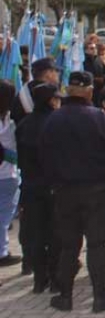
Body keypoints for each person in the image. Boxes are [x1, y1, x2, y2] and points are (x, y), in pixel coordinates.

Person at [40, 71, 105, 313]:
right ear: (89, 91)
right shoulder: (101, 119)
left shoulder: (53, 120)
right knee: (97, 244)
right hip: (96, 189)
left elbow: (43, 158)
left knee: (69, 246)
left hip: (64, 191)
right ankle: (100, 296)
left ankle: (65, 296)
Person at [15, 82, 62, 293]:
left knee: (36, 234)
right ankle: (54, 278)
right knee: (54, 233)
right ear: (51, 100)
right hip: (52, 186)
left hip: (30, 186)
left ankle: (39, 279)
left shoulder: (24, 124)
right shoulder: (55, 122)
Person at [0, 81, 19, 268]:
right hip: (6, 174)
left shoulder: (9, 118)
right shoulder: (8, 120)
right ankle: (2, 252)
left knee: (5, 217)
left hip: (9, 174)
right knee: (3, 217)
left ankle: (3, 249)